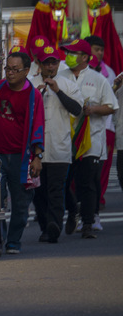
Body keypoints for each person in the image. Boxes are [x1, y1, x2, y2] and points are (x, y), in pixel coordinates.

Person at [0, 51, 45, 255]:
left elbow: (38, 127)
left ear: (26, 71)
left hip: (21, 157)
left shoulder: (33, 96)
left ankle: (13, 242)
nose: (10, 73)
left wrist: (37, 157)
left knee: (20, 203)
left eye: (15, 70)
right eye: (8, 69)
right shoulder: (0, 86)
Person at [61, 39, 117, 239]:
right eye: (67, 52)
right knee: (64, 183)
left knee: (87, 183)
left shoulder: (98, 78)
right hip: (64, 140)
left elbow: (111, 106)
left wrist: (93, 109)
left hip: (91, 141)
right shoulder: (60, 76)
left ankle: (87, 223)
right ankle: (72, 211)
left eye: (73, 53)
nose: (68, 56)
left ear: (85, 57)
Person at [27, 42, 82, 243]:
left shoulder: (68, 84)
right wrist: (38, 96)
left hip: (60, 147)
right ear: (39, 64)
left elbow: (77, 110)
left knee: (56, 189)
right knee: (39, 192)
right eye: (47, 63)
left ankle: (55, 226)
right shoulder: (30, 84)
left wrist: (58, 91)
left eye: (54, 63)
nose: (51, 67)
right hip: (36, 150)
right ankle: (45, 226)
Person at [85, 35, 115, 229]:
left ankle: (97, 203)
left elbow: (112, 102)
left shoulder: (108, 72)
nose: (99, 53)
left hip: (106, 127)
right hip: (82, 129)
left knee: (100, 171)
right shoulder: (72, 73)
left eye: (101, 50)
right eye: (96, 49)